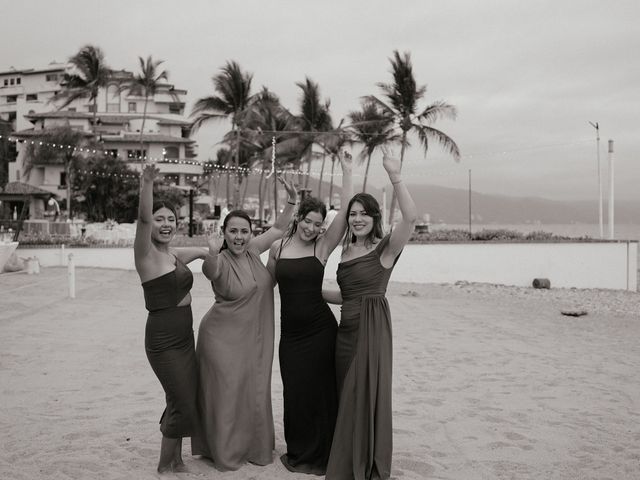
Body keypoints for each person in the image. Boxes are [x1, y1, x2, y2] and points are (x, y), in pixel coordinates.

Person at [323, 146, 417, 480]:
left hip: (371, 331)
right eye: (353, 214)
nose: (357, 218)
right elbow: (346, 295)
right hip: (345, 332)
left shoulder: (385, 249)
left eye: (364, 213)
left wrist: (395, 175)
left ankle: (362, 460)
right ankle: (349, 452)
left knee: (362, 394)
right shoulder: (346, 250)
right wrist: (312, 292)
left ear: (375, 218)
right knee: (345, 393)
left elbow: (410, 218)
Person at [192, 176, 298, 471]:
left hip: (254, 340)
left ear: (250, 234)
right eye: (233, 231)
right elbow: (209, 271)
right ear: (224, 233)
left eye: (244, 231)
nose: (238, 237)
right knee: (227, 396)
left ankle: (253, 447)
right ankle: (225, 452)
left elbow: (278, 229)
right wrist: (211, 251)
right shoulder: (220, 259)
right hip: (221, 340)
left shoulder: (252, 250)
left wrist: (291, 200)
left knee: (252, 391)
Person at [266, 150, 353, 475]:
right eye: (308, 221)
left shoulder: (322, 247)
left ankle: (325, 453)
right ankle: (300, 451)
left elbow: (344, 213)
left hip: (320, 332)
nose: (312, 228)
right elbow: (265, 285)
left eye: (318, 224)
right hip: (291, 336)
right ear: (298, 219)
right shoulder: (279, 247)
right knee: (296, 393)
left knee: (321, 393)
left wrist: (345, 172)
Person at [133, 164, 207, 473]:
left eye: (171, 219)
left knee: (183, 398)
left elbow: (205, 250)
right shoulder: (145, 254)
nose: (165, 224)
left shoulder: (173, 254)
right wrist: (147, 182)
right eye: (160, 219)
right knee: (183, 402)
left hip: (184, 338)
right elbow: (143, 217)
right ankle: (164, 467)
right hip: (163, 341)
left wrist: (228, 248)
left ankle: (177, 460)